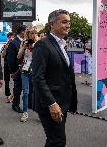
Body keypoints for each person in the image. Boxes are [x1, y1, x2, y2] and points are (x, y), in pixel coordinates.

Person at [32, 9, 78, 147]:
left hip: (62, 103)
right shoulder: (43, 44)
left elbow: (66, 76)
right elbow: (38, 78)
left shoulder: (62, 44)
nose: (68, 25)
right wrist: (52, 104)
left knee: (54, 140)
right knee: (58, 142)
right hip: (50, 105)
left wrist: (72, 102)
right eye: (64, 22)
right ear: (52, 24)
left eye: (69, 22)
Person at [17, 28, 37, 122]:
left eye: (35, 33)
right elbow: (18, 56)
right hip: (25, 71)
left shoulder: (38, 43)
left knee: (37, 92)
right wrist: (24, 47)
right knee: (26, 92)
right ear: (28, 34)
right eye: (31, 33)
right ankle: (25, 112)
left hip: (36, 72)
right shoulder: (24, 43)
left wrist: (35, 45)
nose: (33, 35)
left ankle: (40, 111)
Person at [7, 25, 27, 113]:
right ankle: (15, 105)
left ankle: (19, 103)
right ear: (22, 31)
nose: (26, 32)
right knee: (18, 87)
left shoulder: (23, 41)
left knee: (21, 87)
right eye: (26, 31)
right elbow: (10, 59)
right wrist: (12, 72)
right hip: (17, 69)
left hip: (24, 68)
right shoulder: (14, 42)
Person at [1, 32, 15, 103]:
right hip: (7, 64)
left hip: (14, 65)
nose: (11, 38)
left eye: (12, 37)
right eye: (9, 37)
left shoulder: (16, 44)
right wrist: (5, 49)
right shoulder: (5, 45)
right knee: (7, 80)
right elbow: (3, 56)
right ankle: (7, 95)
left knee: (15, 80)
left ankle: (13, 95)